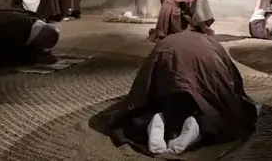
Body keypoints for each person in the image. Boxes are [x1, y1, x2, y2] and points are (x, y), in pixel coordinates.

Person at [100, 30, 259, 155]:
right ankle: (196, 127)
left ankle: (156, 120)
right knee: (218, 110)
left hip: (165, 59)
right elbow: (232, 82)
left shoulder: (168, 40)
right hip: (203, 65)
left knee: (157, 103)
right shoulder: (212, 44)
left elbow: (145, 81)